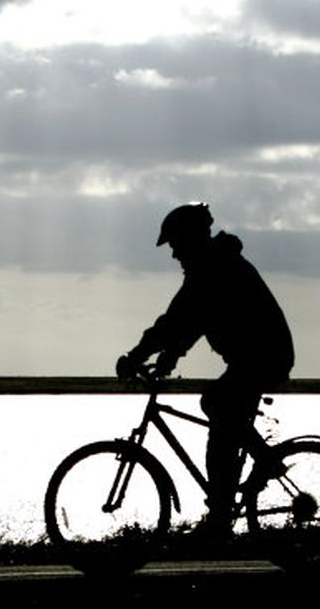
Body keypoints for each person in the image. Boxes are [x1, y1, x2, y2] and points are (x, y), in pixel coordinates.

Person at [116, 203, 294, 537]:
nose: (173, 255)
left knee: (217, 407)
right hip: (255, 356)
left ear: (190, 238)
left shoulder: (213, 268)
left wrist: (137, 355)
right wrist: (169, 356)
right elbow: (190, 321)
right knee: (219, 412)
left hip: (264, 356)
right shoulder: (213, 266)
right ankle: (230, 500)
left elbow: (178, 320)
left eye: (174, 244)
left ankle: (222, 513)